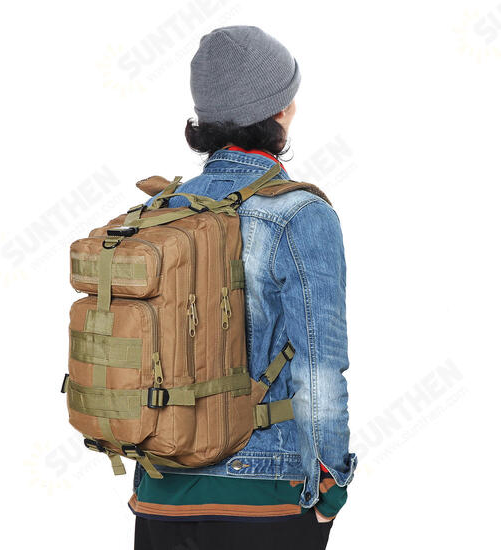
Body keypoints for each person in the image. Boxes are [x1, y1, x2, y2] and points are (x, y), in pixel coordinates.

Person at [130, 25, 357, 550]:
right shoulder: (300, 212)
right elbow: (320, 368)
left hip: (160, 494)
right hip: (265, 498)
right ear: (281, 110)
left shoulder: (158, 211)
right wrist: (332, 485)